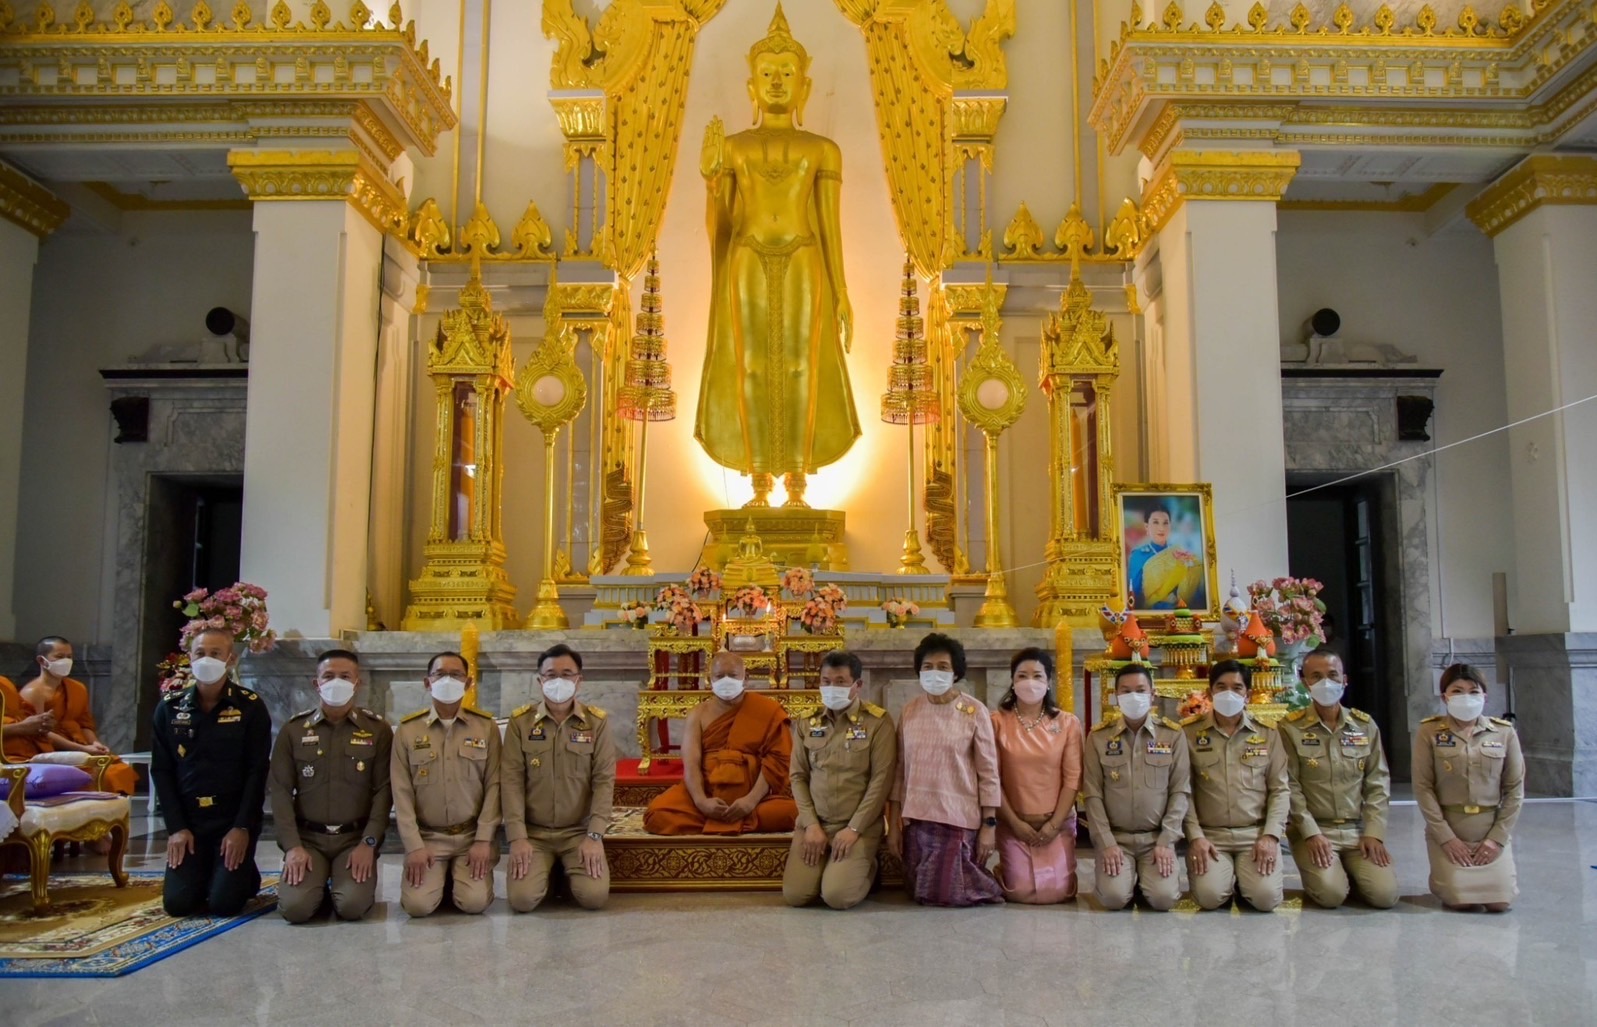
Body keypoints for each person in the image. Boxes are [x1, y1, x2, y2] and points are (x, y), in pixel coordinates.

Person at [693, 5, 862, 509]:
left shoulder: (823, 151)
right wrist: (710, 183)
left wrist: (844, 291)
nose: (776, 82)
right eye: (766, 74)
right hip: (746, 255)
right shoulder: (734, 148)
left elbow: (831, 226)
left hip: (805, 256)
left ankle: (797, 484)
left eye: (787, 74)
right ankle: (758, 482)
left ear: (804, 87)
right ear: (751, 87)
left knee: (801, 365)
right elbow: (719, 230)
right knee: (749, 365)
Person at [150, 628, 272, 916]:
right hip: (190, 822)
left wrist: (242, 827)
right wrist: (176, 828)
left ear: (230, 659)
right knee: (178, 905)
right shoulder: (169, 708)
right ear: (189, 657)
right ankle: (209, 871)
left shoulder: (250, 707)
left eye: (215, 654)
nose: (207, 659)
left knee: (224, 904)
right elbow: (162, 770)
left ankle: (243, 874)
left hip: (231, 821)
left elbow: (257, 771)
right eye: (200, 653)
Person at [268, 649, 393, 922]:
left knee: (352, 908)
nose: (337, 682)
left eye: (345, 676)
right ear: (316, 683)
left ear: (357, 683)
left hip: (354, 839)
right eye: (329, 676)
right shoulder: (294, 730)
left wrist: (368, 844)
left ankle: (339, 883)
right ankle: (316, 887)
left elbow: (384, 791)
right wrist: (292, 847)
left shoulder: (377, 730)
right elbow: (279, 791)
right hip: (308, 839)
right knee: (295, 910)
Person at [887, 633, 1004, 907]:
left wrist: (989, 825)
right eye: (927, 667)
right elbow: (899, 771)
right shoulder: (910, 711)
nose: (934, 673)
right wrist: (893, 824)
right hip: (917, 820)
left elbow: (989, 772)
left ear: (956, 672)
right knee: (923, 893)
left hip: (958, 819)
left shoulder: (975, 711)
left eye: (942, 667)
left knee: (945, 893)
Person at [1278, 647, 1398, 909]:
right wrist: (1311, 833)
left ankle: (1352, 874)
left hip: (1356, 830)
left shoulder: (1364, 725)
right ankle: (1336, 877)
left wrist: (1374, 833)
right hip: (1315, 831)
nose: (1326, 683)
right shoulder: (1289, 728)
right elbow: (1291, 787)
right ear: (1304, 681)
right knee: (1331, 896)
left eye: (1333, 675)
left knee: (1385, 896)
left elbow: (1378, 783)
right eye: (1316, 676)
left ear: (1345, 679)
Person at [502, 644, 616, 912]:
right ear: (540, 680)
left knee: (594, 898)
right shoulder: (520, 723)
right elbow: (511, 782)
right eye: (551, 675)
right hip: (534, 833)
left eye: (567, 674)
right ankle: (548, 874)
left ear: (579, 680)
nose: (559, 681)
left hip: (578, 831)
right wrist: (517, 837)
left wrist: (595, 836)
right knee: (522, 901)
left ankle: (564, 873)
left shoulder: (596, 723)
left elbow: (603, 781)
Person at [390, 651, 501, 917]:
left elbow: (495, 785)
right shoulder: (408, 730)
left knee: (473, 904)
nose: (447, 680)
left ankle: (456, 879)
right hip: (428, 837)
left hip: (470, 836)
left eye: (456, 674)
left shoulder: (485, 728)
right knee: (417, 907)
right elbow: (401, 792)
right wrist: (414, 845)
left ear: (468, 682)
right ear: (427, 683)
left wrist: (484, 840)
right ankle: (440, 878)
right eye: (440, 674)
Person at [783, 650, 895, 910]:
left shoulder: (877, 722)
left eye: (841, 682)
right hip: (816, 824)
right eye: (826, 681)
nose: (832, 687)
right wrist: (810, 825)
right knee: (796, 895)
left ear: (857, 685)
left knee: (837, 897)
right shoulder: (807, 721)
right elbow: (798, 776)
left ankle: (868, 867)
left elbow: (881, 780)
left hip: (857, 826)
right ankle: (832, 866)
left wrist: (854, 829)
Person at [643, 651, 797, 835]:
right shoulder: (698, 714)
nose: (726, 681)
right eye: (719, 676)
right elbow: (691, 763)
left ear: (745, 678)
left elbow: (777, 762)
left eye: (732, 675)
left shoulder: (766, 710)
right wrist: (701, 801)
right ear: (710, 679)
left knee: (794, 813)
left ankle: (732, 818)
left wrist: (750, 801)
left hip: (753, 797)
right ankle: (735, 820)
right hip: (707, 793)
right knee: (656, 815)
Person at [1413, 663, 1523, 912]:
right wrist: (1447, 838)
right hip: (1449, 829)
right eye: (1457, 690)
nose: (1467, 697)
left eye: (1474, 691)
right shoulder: (1429, 731)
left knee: (1500, 902)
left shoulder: (1504, 733)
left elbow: (1515, 790)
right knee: (1460, 900)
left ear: (1485, 695)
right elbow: (1423, 788)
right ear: (1444, 697)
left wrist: (1496, 839)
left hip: (1489, 829)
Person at [1182, 660, 1289, 912]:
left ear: (1248, 694)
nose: (1228, 693)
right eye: (1221, 687)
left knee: (1265, 899)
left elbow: (1280, 790)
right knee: (1209, 898)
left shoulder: (1268, 734)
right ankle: (1227, 878)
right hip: (1211, 836)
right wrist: (1195, 837)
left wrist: (1271, 836)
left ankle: (1246, 882)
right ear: (1209, 693)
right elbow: (1182, 792)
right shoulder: (1188, 734)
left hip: (1255, 834)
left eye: (1237, 688)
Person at [1083, 662, 1190, 911]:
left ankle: (1145, 880)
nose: (1134, 696)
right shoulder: (1098, 737)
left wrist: (1166, 840)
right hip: (1117, 839)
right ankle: (1126, 880)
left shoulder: (1172, 735)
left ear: (1152, 694)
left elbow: (1180, 791)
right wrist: (1106, 843)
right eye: (1126, 691)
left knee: (1163, 900)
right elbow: (1092, 794)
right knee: (1113, 899)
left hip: (1156, 839)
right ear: (1116, 696)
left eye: (1140, 690)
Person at [990, 647, 1083, 904]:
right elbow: (991, 779)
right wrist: (1016, 823)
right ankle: (1004, 870)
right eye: (1022, 676)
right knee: (1020, 891)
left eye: (1037, 676)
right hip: (1013, 822)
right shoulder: (996, 722)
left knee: (1058, 893)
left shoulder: (1067, 723)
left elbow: (1072, 779)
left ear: (1048, 681)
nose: (1029, 682)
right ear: (1012, 681)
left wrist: (1054, 825)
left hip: (1056, 823)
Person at [6, 637, 137, 794]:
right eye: (60, 657)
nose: (66, 661)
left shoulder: (77, 688)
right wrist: (83, 749)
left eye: (69, 657)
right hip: (55, 749)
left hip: (81, 744)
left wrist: (94, 743)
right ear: (42, 660)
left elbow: (85, 723)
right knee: (104, 774)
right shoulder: (33, 692)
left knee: (119, 769)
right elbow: (41, 732)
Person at [1126, 506, 1171, 610]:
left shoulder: (1178, 553)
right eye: (1156, 522)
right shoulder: (1139, 555)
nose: (1161, 528)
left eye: (1165, 523)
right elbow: (1134, 593)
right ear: (1147, 527)